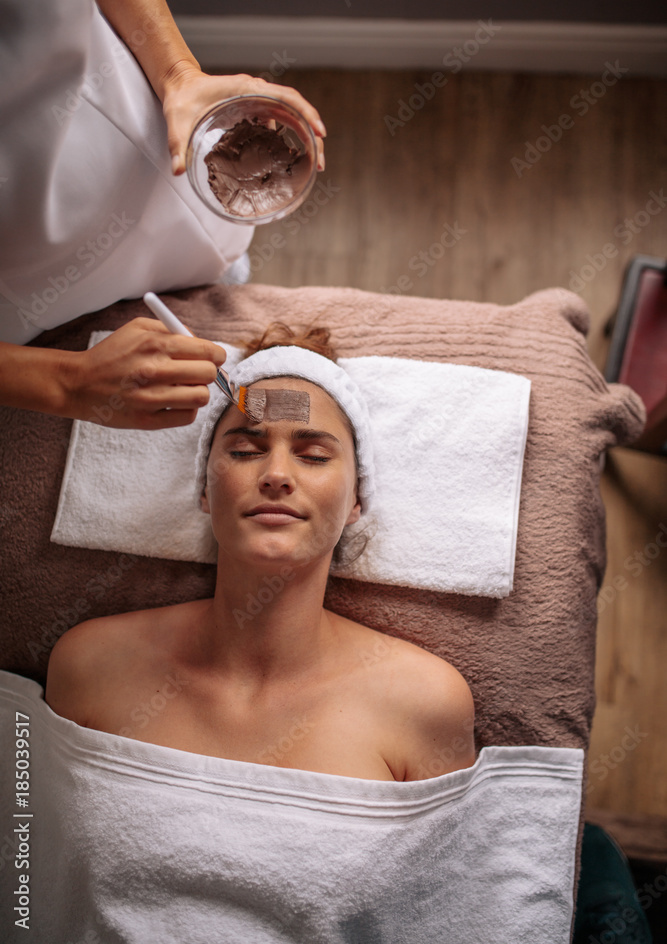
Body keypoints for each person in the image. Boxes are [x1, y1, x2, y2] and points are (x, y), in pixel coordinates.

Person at [45, 324, 476, 782]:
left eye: (313, 456)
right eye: (247, 450)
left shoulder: (426, 702)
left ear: (356, 499)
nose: (276, 474)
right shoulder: (91, 665)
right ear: (206, 490)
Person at [0, 0, 326, 431]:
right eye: (243, 448)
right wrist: (60, 381)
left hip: (137, 128)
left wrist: (177, 75)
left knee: (208, 248)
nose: (277, 476)